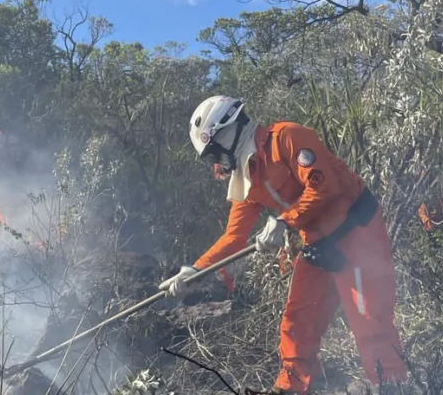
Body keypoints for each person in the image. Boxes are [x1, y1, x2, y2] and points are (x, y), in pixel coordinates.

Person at [158, 95, 407, 395]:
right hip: (317, 241)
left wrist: (284, 221)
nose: (216, 164)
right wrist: (194, 271)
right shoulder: (248, 176)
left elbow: (324, 186)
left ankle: (395, 387)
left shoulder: (287, 137)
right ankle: (290, 390)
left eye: (214, 154)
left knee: (369, 319)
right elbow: (233, 237)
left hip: (355, 229)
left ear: (226, 133)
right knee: (297, 321)